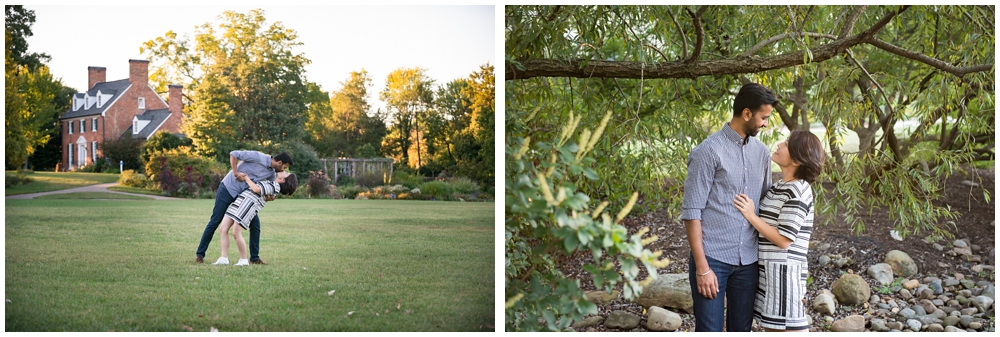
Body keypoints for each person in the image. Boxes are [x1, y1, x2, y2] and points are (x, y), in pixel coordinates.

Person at [681, 82, 777, 332]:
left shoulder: (763, 153)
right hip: (712, 259)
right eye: (763, 118)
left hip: (749, 261)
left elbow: (766, 204)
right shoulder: (708, 152)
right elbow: (692, 213)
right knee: (709, 330)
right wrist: (702, 269)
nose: (765, 124)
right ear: (747, 113)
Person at [734, 130, 825, 331]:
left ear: (796, 160)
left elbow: (784, 240)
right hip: (771, 272)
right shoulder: (779, 186)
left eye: (786, 144)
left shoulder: (799, 190)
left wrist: (751, 216)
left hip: (785, 276)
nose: (779, 145)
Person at [195, 150, 293, 264]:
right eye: (284, 167)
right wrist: (236, 173)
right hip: (228, 189)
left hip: (244, 198)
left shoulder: (271, 173)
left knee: (255, 225)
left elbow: (271, 189)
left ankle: (254, 258)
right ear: (280, 162)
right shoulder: (258, 156)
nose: (283, 170)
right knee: (215, 221)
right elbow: (233, 154)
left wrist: (271, 198)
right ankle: (200, 255)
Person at [214, 171, 298, 266]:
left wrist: (246, 177)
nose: (284, 171)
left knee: (236, 233)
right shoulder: (271, 183)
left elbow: (256, 189)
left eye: (286, 173)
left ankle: (243, 260)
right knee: (223, 229)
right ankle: (223, 258)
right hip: (240, 202)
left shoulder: (275, 186)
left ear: (283, 180)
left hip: (247, 206)